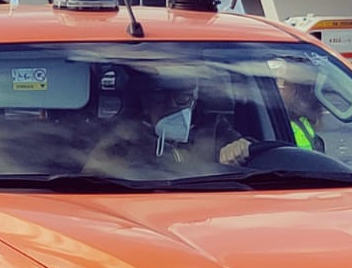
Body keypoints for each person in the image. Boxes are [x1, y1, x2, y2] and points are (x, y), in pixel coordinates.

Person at [83, 69, 235, 179]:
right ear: (144, 103)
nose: (172, 105)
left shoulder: (213, 127)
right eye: (160, 98)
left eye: (183, 98)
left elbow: (248, 150)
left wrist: (238, 149)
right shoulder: (122, 135)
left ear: (194, 103)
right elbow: (90, 178)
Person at [219, 59, 327, 165]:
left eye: (281, 82)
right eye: (275, 80)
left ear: (296, 91)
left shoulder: (284, 123)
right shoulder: (278, 121)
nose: (275, 88)